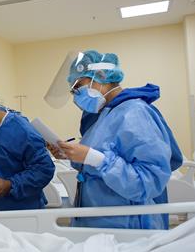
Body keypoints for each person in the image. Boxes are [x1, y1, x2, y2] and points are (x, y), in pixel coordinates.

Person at [49, 50, 182, 229]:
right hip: (99, 220)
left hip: (127, 225)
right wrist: (72, 156)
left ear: (101, 76)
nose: (75, 94)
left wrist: (95, 158)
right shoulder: (103, 115)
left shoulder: (134, 113)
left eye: (78, 85)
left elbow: (148, 181)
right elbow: (97, 160)